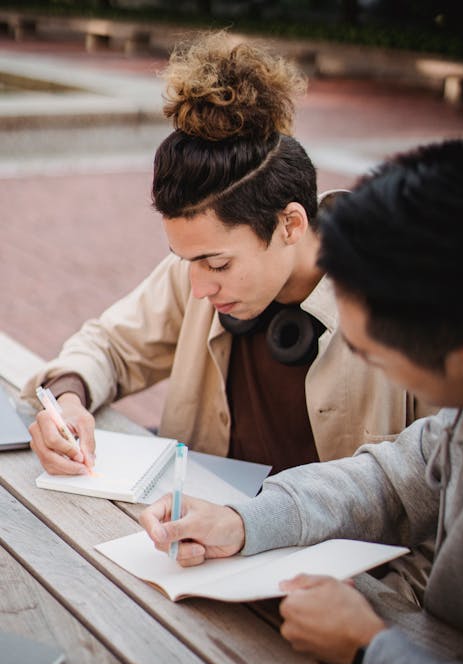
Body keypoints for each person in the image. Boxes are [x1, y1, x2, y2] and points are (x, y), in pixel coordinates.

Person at [139, 138, 463, 664]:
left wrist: (368, 649)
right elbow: (390, 476)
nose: (349, 355)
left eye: (371, 354)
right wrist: (244, 521)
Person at [24, 31, 427, 482]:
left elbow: (439, 490)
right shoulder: (193, 274)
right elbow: (108, 346)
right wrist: (68, 401)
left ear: (291, 224)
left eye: (218, 265)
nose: (198, 287)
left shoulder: (410, 300)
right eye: (185, 260)